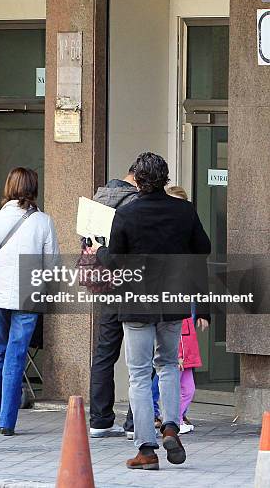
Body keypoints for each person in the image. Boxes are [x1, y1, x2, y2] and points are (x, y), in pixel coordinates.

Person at [96, 152, 211, 471]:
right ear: (165, 178)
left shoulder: (128, 214)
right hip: (172, 302)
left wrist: (100, 251)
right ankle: (171, 427)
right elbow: (203, 250)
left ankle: (146, 448)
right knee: (169, 366)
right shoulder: (184, 211)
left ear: (138, 179)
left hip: (136, 305)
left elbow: (115, 260)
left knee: (139, 374)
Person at [0, 167, 59, 435]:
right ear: (34, 188)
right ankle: (7, 422)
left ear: (9, 187)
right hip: (28, 296)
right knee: (16, 354)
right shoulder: (44, 222)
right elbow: (51, 264)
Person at [89, 163, 138, 438]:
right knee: (139, 357)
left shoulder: (99, 199)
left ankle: (100, 420)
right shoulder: (135, 203)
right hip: (131, 285)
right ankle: (134, 423)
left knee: (105, 352)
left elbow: (87, 241)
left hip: (105, 285)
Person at [166, 186, 209, 434]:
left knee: (182, 359)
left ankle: (177, 413)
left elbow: (199, 270)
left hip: (185, 299)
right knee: (166, 361)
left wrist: (203, 310)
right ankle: (164, 413)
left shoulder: (190, 235)